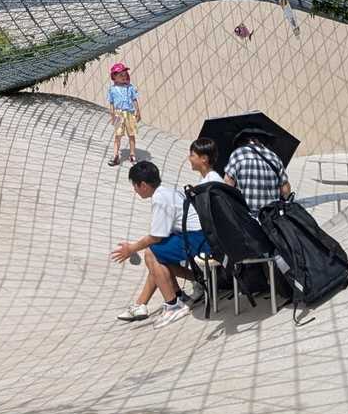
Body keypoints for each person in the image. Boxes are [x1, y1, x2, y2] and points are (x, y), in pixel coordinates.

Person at [110, 158, 211, 326]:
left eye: (134, 186)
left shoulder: (160, 198)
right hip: (200, 236)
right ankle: (145, 303)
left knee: (151, 253)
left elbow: (156, 237)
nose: (135, 190)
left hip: (197, 239)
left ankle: (173, 305)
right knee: (157, 260)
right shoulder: (168, 191)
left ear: (143, 185)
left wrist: (131, 249)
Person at [223, 130, 292, 213]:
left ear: (250, 140)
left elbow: (228, 184)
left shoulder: (238, 154)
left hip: (246, 215)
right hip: (271, 215)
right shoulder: (274, 156)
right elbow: (285, 190)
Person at [106, 61, 141, 167]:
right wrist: (112, 114)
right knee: (118, 135)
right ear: (114, 77)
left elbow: (134, 99)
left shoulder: (130, 87)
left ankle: (132, 154)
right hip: (118, 113)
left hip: (129, 113)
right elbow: (111, 103)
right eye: (121, 75)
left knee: (131, 134)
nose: (124, 77)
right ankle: (115, 155)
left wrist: (138, 111)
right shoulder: (112, 89)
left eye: (125, 74)